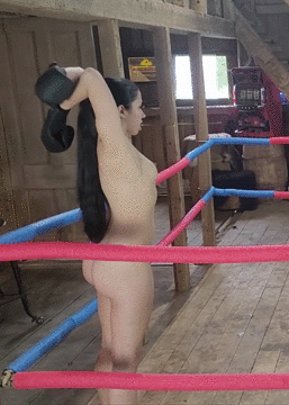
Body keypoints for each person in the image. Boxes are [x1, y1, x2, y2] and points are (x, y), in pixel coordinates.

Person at [36, 65, 153, 404]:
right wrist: (59, 110)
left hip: (105, 257)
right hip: (126, 264)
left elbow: (90, 80)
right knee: (125, 361)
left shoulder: (117, 149)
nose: (144, 114)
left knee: (109, 351)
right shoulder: (113, 146)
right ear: (120, 111)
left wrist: (60, 109)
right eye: (140, 106)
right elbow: (90, 77)